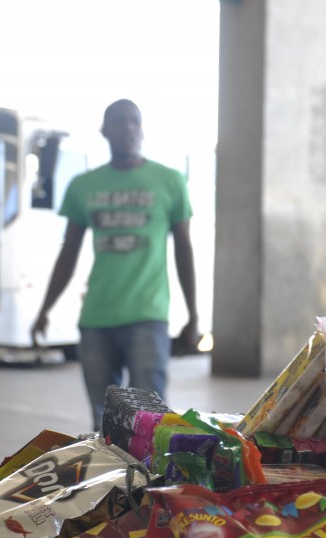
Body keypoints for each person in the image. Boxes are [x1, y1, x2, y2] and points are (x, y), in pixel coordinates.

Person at [31, 99, 199, 430]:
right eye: (120, 121)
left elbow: (184, 249)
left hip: (148, 319)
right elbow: (69, 253)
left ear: (143, 130)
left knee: (149, 424)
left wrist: (193, 316)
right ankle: (111, 483)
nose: (128, 128)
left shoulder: (169, 181)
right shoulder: (84, 186)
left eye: (135, 121)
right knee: (105, 423)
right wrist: (45, 309)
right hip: (96, 319)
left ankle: (148, 484)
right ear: (104, 130)